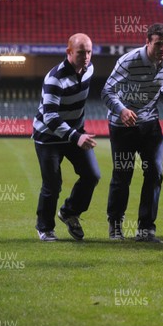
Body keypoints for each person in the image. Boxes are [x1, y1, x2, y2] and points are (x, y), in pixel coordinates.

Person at [101, 23, 163, 243]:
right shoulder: (128, 61)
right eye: (158, 44)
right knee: (123, 175)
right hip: (122, 125)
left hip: (149, 123)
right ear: (148, 42)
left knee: (155, 172)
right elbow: (106, 91)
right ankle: (115, 225)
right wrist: (122, 110)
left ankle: (146, 229)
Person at [32, 33, 100, 241]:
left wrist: (77, 132)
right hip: (48, 137)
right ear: (69, 52)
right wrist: (75, 136)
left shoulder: (90, 69)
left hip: (74, 133)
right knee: (52, 184)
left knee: (92, 175)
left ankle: (70, 212)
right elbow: (50, 117)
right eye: (81, 52)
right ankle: (44, 227)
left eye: (89, 52)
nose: (86, 57)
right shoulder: (55, 78)